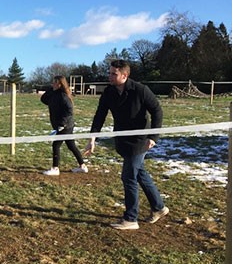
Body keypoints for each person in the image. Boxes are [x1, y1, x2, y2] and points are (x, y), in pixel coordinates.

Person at [84, 60, 169, 230]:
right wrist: (92, 137)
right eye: (109, 73)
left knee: (128, 176)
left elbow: (157, 111)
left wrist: (153, 136)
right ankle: (159, 207)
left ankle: (131, 218)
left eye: (113, 74)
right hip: (122, 139)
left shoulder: (140, 90)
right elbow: (100, 115)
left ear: (124, 75)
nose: (110, 76)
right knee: (139, 173)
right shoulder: (109, 92)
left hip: (140, 140)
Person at [40, 75, 88, 176]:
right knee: (71, 146)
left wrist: (62, 124)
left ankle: (55, 168)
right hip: (60, 125)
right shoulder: (54, 94)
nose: (52, 83)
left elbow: (69, 110)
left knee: (56, 145)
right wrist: (50, 89)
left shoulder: (63, 95)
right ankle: (82, 166)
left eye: (55, 82)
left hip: (65, 126)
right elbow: (43, 99)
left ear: (60, 84)